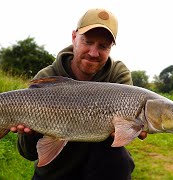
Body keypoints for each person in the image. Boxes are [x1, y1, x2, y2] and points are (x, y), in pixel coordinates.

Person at [11, 8, 135, 180]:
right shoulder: (47, 77)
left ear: (111, 47)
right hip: (55, 171)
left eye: (103, 46)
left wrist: (131, 128)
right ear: (74, 37)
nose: (93, 52)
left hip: (100, 169)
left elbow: (125, 134)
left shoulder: (118, 76)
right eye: (88, 41)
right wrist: (29, 132)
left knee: (118, 160)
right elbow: (27, 153)